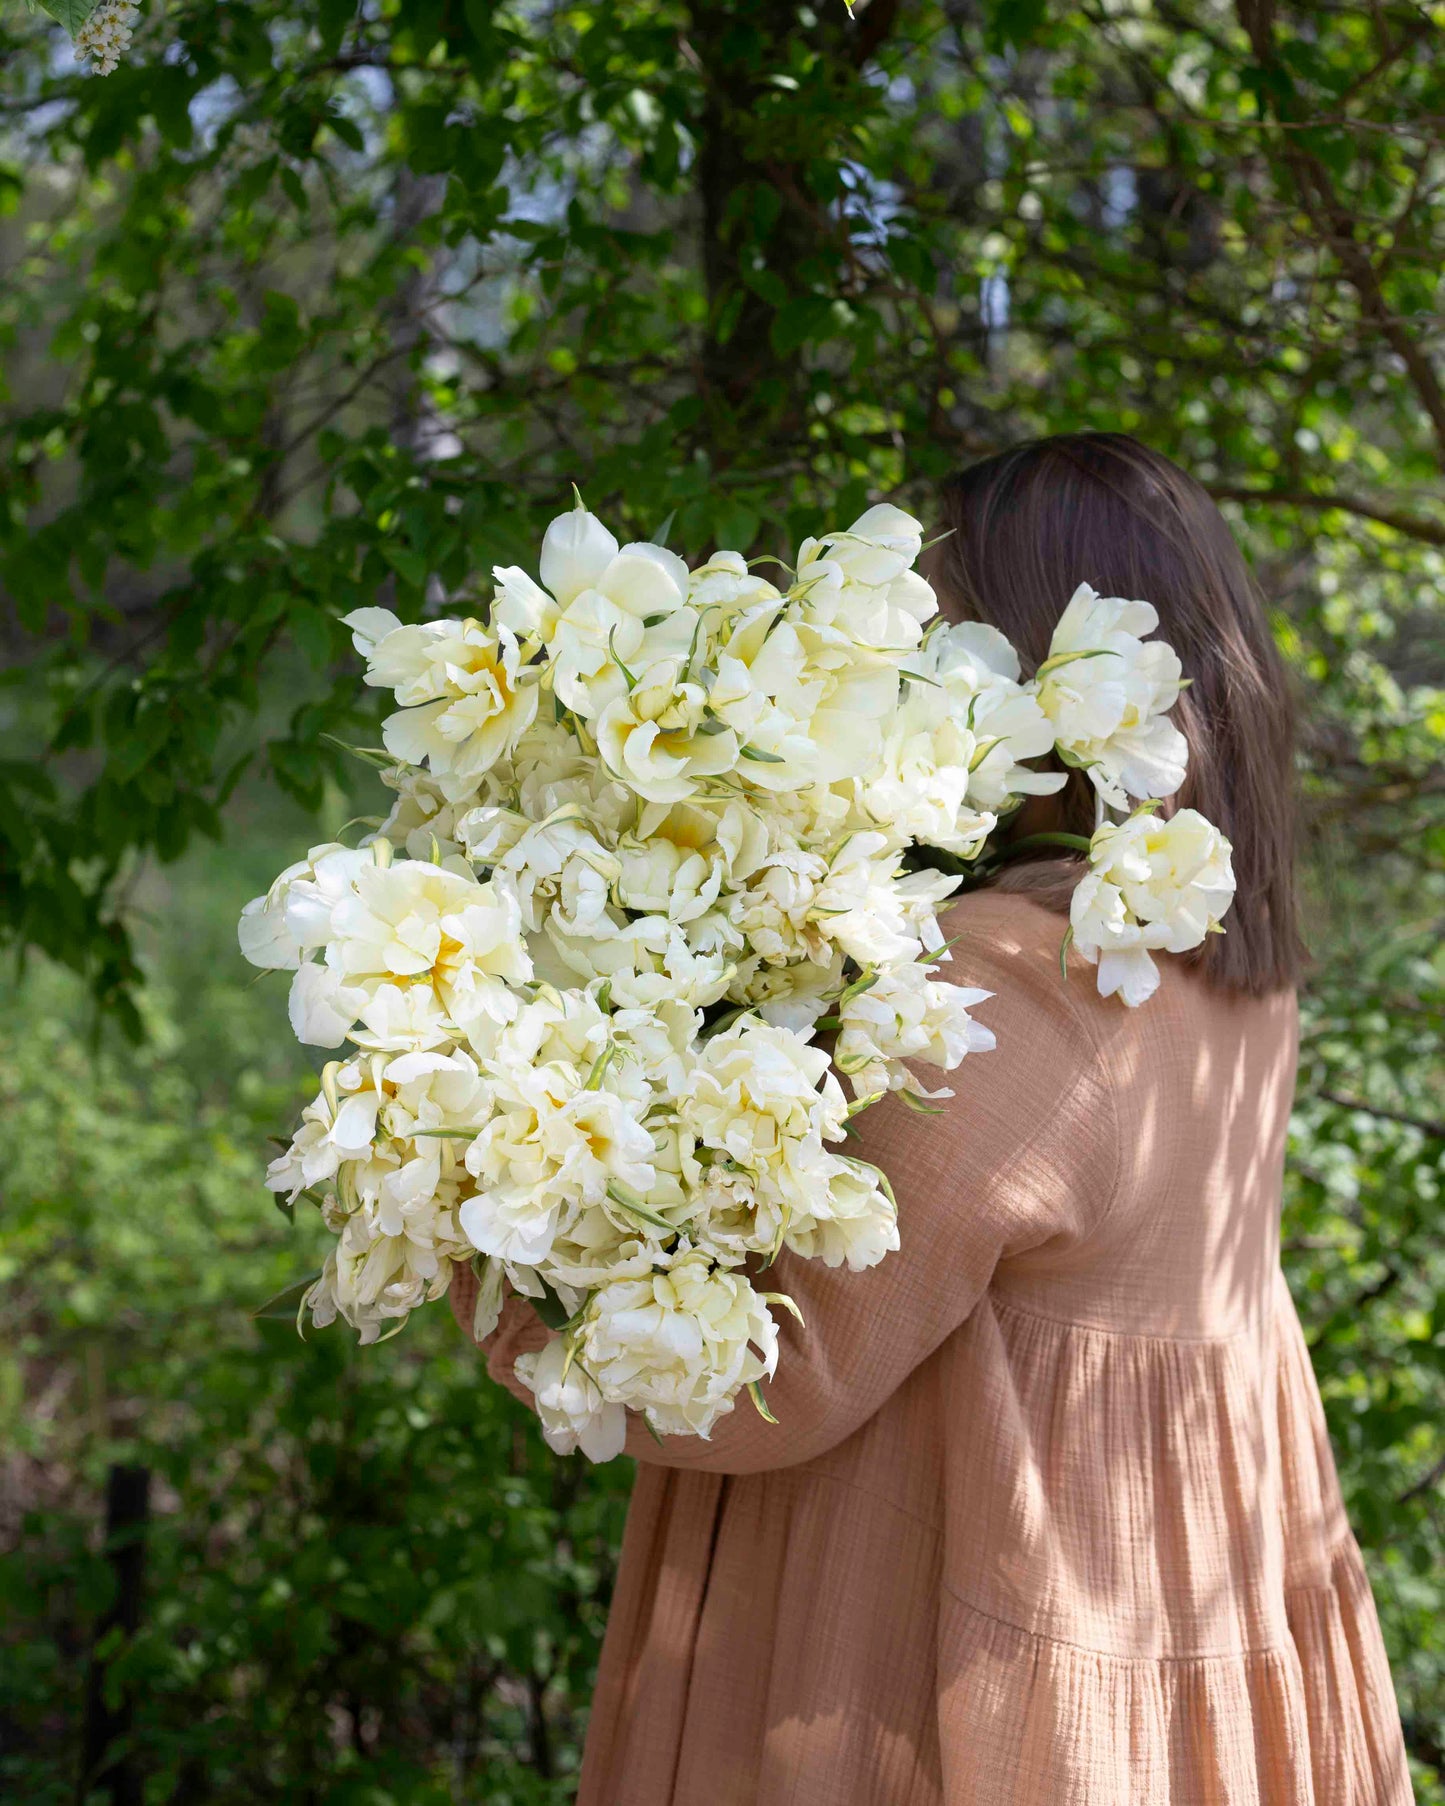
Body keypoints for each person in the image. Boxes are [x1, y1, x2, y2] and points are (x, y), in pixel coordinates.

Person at [451, 434, 1413, 1805]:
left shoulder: (996, 984)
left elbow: (773, 1376)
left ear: (1038, 677)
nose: (909, 673)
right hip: (1165, 1573)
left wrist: (486, 1231)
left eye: (943, 636)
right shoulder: (1221, 966)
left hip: (910, 1630)